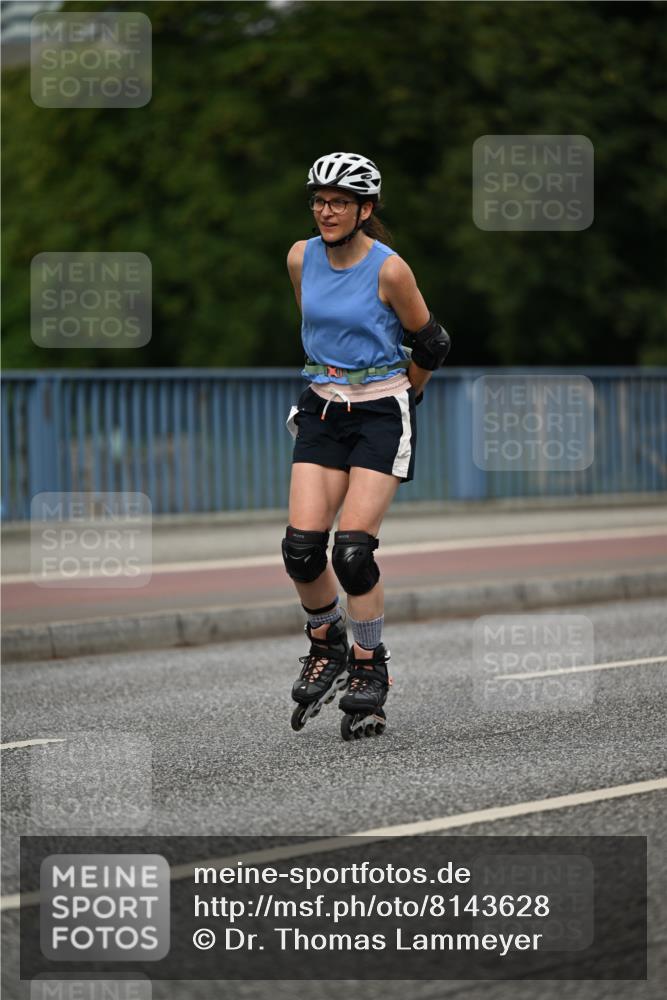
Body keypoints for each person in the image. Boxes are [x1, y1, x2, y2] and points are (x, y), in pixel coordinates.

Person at [282, 151, 450, 739]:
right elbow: (317, 325)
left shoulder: (390, 270)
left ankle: (368, 662)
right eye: (320, 201)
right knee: (302, 551)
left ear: (365, 209)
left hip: (381, 410)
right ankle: (325, 642)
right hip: (323, 406)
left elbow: (431, 342)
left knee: (351, 553)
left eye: (340, 203)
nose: (326, 212)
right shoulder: (301, 257)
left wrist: (410, 395)